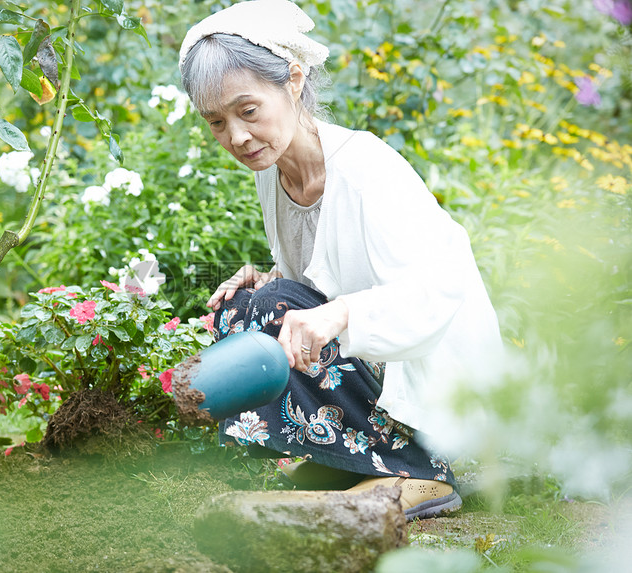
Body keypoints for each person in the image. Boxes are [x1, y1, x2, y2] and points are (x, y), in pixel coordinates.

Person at [178, 0, 503, 520]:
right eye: (216, 122)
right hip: (383, 364)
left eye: (248, 110)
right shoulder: (274, 173)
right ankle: (350, 460)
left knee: (275, 308)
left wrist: (336, 312)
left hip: (444, 379)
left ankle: (420, 470)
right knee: (247, 306)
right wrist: (271, 280)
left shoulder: (365, 170)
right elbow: (325, 275)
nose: (236, 137)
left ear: (292, 80)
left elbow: (436, 293)